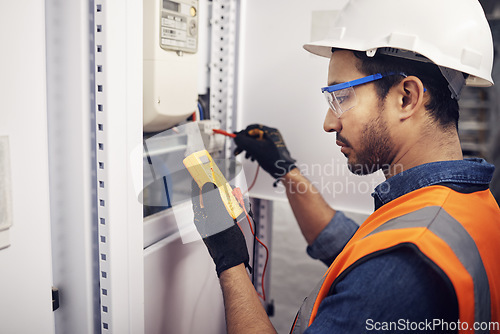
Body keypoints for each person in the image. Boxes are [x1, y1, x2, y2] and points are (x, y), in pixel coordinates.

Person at [191, 0, 500, 333]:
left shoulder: (405, 262)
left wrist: (230, 260)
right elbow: (350, 246)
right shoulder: (463, 206)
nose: (328, 122)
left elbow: (383, 270)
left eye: (341, 97)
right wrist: (285, 170)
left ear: (406, 97)